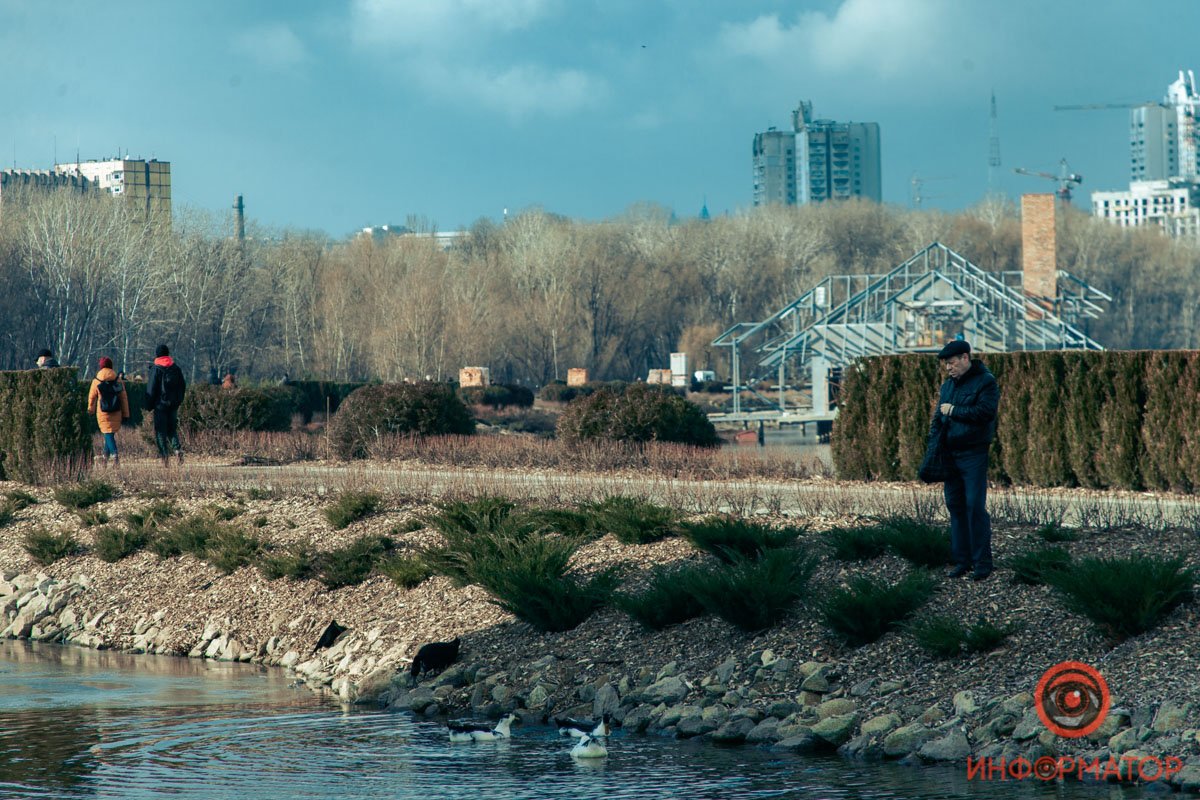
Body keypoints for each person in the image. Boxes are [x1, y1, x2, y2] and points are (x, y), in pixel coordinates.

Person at [927, 340, 1000, 581]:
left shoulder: (986, 382)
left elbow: (985, 413)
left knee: (974, 507)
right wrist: (933, 446)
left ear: (965, 358)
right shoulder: (947, 386)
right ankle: (962, 561)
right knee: (955, 506)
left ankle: (982, 563)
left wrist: (954, 410)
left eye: (951, 362)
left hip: (973, 453)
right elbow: (938, 418)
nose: (948, 367)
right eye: (945, 364)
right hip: (950, 454)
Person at [145, 344, 187, 467]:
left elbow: (151, 389)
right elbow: (182, 386)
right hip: (173, 405)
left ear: (157, 354)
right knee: (172, 429)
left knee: (160, 432)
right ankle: (177, 449)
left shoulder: (156, 369)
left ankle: (165, 457)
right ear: (168, 354)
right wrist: (178, 401)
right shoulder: (176, 368)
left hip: (160, 406)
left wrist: (148, 405)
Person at [87, 357, 130, 467]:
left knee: (107, 434)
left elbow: (92, 397)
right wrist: (126, 414)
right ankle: (105, 458)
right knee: (109, 433)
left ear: (101, 366)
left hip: (103, 412)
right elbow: (123, 398)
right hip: (116, 410)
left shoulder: (96, 380)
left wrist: (90, 410)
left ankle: (115, 456)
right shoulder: (117, 380)